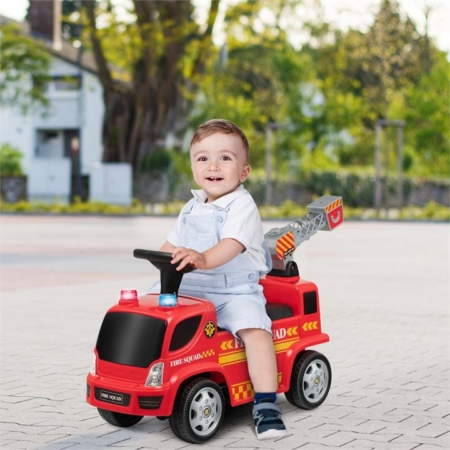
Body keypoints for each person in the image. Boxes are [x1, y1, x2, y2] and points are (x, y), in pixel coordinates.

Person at [152, 119, 288, 440]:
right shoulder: (191, 207)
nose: (213, 166)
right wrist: (159, 259)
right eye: (203, 158)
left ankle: (266, 403)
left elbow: (231, 245)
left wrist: (202, 258)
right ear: (193, 166)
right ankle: (154, 377)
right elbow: (170, 245)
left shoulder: (242, 205)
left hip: (234, 292)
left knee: (254, 329)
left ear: (243, 171)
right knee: (151, 310)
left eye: (225, 158)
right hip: (192, 289)